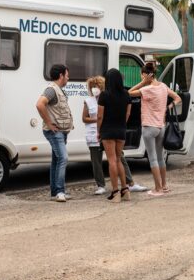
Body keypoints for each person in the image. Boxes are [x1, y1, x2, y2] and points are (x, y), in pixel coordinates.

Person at [83, 76, 148, 196]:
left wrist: (100, 126)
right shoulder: (88, 101)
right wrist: (96, 121)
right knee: (98, 160)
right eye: (92, 87)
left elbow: (104, 116)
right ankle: (102, 185)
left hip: (106, 132)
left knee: (118, 159)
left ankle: (127, 184)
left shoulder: (108, 96)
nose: (94, 89)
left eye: (96, 86)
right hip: (97, 133)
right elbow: (86, 118)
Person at [129, 62, 182, 196]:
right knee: (160, 158)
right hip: (161, 127)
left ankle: (157, 189)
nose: (141, 78)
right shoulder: (163, 87)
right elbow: (178, 98)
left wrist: (143, 83)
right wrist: (168, 107)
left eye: (142, 75)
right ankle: (164, 186)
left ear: (147, 75)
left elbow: (129, 93)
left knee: (152, 159)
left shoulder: (147, 89)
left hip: (149, 127)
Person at [35, 64, 74, 202]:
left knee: (56, 160)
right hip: (55, 132)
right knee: (63, 158)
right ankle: (60, 192)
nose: (68, 78)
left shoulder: (59, 90)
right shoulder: (51, 90)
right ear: (61, 76)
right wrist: (49, 123)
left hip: (61, 132)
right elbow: (40, 104)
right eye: (67, 75)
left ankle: (54, 192)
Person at [97, 68, 132, 202]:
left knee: (111, 160)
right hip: (121, 129)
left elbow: (100, 116)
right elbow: (128, 114)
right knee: (118, 159)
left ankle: (115, 192)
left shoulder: (104, 95)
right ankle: (125, 190)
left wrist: (98, 131)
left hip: (108, 129)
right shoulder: (126, 94)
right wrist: (122, 124)